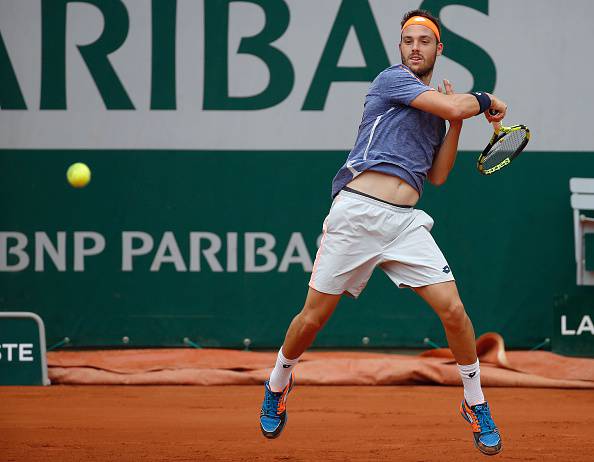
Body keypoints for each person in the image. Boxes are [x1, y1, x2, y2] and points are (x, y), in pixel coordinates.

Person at [259, 9, 506, 456]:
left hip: (405, 223)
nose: (415, 48)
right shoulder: (392, 80)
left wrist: (456, 123)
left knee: (454, 311)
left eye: (424, 41)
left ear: (438, 49)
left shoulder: (437, 113)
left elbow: (438, 176)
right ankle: (278, 382)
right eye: (408, 40)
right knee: (312, 318)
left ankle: (475, 402)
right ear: (400, 48)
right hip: (356, 213)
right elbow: (459, 103)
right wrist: (485, 99)